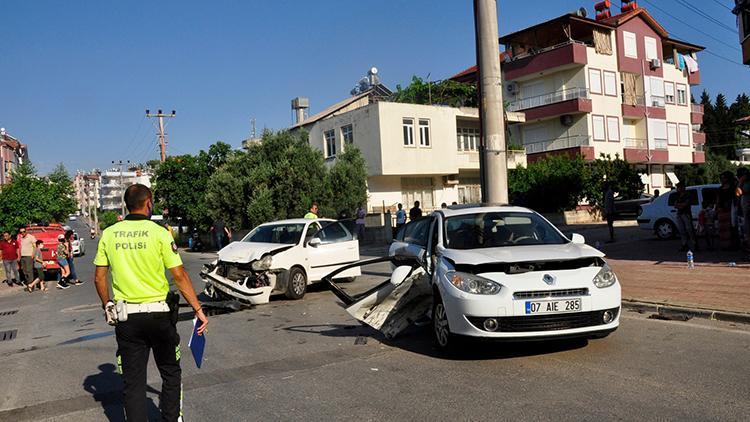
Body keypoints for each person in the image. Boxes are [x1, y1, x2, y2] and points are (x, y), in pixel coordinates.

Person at [93, 184, 208, 422]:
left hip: (127, 319)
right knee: (170, 374)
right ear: (149, 203)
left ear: (126, 204)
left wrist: (107, 305)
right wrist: (198, 309)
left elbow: (99, 277)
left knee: (133, 383)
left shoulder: (110, 234)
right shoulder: (159, 233)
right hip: (160, 316)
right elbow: (179, 275)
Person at [717, 171, 737, 250]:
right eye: (721, 178)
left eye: (723, 178)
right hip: (722, 211)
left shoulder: (733, 188)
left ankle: (732, 245)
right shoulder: (720, 189)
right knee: (723, 229)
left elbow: (735, 198)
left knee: (731, 228)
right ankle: (725, 246)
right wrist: (718, 207)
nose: (722, 179)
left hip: (731, 210)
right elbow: (718, 200)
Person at [673, 182, 697, 252]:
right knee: (682, 230)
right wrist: (680, 205)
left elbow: (685, 204)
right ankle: (684, 244)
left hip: (686, 214)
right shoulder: (678, 196)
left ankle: (695, 244)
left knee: (690, 230)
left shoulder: (687, 195)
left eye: (679, 187)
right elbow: (675, 205)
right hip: (679, 214)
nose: (678, 189)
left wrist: (679, 205)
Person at [736, 167, 750, 254]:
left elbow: (738, 193)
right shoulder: (743, 183)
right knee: (746, 229)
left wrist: (740, 182)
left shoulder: (746, 184)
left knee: (747, 229)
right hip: (745, 209)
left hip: (748, 208)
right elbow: (738, 193)